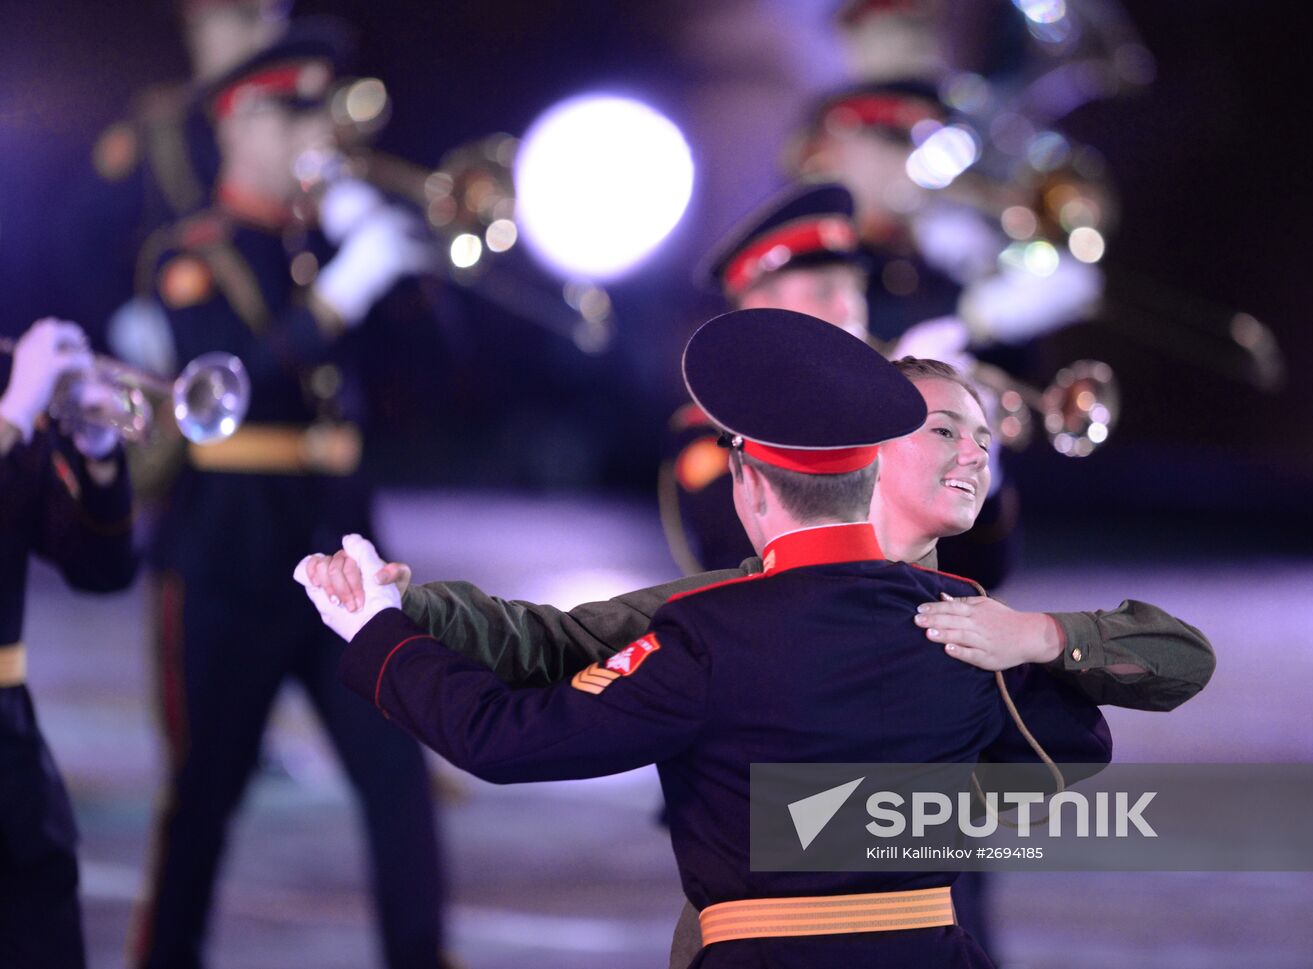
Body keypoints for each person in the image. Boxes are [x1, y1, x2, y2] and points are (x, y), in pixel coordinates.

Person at [297, 308, 1115, 967]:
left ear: (748, 482)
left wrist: (377, 632)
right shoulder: (964, 617)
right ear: (872, 474)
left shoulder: (708, 634)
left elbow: (506, 741)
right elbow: (1074, 743)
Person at [127, 24, 453, 969]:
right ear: (235, 123)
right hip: (227, 553)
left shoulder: (330, 241)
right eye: (291, 111)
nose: (314, 131)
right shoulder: (187, 253)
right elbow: (219, 385)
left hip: (338, 543)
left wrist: (404, 276)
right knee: (206, 792)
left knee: (397, 770)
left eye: (320, 107)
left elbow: (445, 376)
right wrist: (335, 301)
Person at [663, 180, 1018, 588]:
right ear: (755, 305)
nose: (849, 307)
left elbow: (982, 576)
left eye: (855, 288)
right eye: (824, 290)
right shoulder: (710, 428)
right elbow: (755, 561)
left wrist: (968, 464)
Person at [1, 318, 138, 968]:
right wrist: (13, 415)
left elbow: (100, 571)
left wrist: (98, 448)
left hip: (13, 757)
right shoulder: (10, 410)